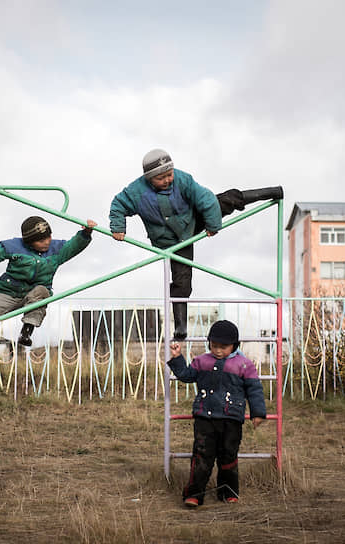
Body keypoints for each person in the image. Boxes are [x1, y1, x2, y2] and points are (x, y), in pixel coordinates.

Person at [109, 149, 283, 340]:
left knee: (226, 200)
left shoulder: (183, 180)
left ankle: (270, 193)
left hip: (193, 220)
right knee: (182, 280)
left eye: (169, 174)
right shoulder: (136, 192)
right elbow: (118, 205)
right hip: (172, 243)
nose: (167, 180)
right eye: (161, 178)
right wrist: (118, 227)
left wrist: (213, 223)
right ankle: (181, 326)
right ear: (149, 178)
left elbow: (205, 199)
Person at [0, 216, 97, 362]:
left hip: (35, 294)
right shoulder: (15, 246)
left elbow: (73, 246)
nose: (47, 242)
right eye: (41, 240)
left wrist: (86, 233)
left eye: (49, 237)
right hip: (10, 292)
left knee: (42, 292)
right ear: (29, 242)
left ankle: (27, 330)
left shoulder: (57, 249)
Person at [167, 320, 266, 507]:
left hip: (232, 419)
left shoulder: (244, 365)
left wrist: (258, 413)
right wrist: (177, 357)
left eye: (223, 347)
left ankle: (228, 492)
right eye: (214, 346)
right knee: (201, 455)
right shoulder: (202, 361)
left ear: (235, 345)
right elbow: (186, 375)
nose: (218, 350)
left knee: (228, 456)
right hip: (205, 418)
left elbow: (254, 389)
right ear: (209, 343)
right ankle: (194, 494)